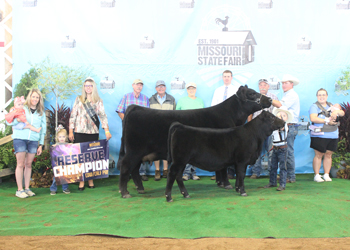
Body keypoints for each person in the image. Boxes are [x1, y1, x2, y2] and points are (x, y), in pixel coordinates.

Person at [69, 77, 112, 190]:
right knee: (81, 157)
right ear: (84, 87)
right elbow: (73, 115)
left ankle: (91, 180)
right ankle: (82, 181)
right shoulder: (79, 99)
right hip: (79, 131)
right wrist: (70, 130)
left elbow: (102, 116)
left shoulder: (98, 100)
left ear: (94, 87)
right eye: (86, 85)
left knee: (91, 157)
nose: (88, 87)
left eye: (90, 85)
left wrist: (106, 130)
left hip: (93, 132)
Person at [6, 89, 47, 198]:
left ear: (39, 100)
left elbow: (42, 129)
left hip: (33, 140)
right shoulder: (21, 108)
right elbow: (8, 120)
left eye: (37, 97)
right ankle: (19, 189)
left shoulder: (41, 112)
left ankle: (27, 188)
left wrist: (41, 144)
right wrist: (17, 121)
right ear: (30, 97)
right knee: (20, 164)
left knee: (28, 164)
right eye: (33, 97)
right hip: (20, 138)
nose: (35, 99)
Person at [116, 79, 150, 181]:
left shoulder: (145, 98)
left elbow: (147, 114)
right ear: (133, 86)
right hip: (129, 129)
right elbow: (120, 111)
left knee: (142, 149)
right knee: (128, 150)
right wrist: (127, 121)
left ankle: (142, 172)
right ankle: (128, 171)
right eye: (137, 85)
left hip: (141, 129)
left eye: (140, 85)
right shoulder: (126, 97)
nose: (139, 86)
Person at [247, 78, 281, 179]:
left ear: (268, 87)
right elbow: (250, 112)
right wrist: (249, 125)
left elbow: (278, 109)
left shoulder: (273, 97)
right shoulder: (253, 97)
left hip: (270, 128)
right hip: (256, 128)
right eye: (261, 85)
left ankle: (272, 172)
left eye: (265, 85)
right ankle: (255, 172)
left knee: (271, 151)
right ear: (258, 87)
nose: (262, 87)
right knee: (255, 150)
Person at [309, 88, 344, 182]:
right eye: (319, 95)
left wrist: (336, 112)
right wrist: (326, 120)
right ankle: (316, 175)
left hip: (332, 134)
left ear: (327, 96)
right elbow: (313, 118)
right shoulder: (314, 106)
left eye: (323, 95)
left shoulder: (332, 105)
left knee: (328, 155)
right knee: (318, 154)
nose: (321, 97)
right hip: (319, 134)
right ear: (317, 96)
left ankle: (326, 174)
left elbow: (342, 112)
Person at [211, 70, 241, 180]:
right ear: (222, 78)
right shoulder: (218, 91)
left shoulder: (236, 91)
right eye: (225, 76)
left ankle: (231, 172)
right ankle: (218, 172)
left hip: (232, 122)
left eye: (228, 76)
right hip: (219, 123)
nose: (226, 78)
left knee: (232, 147)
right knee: (218, 147)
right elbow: (213, 106)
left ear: (232, 77)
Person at [177, 82, 204, 181]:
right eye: (189, 88)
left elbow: (202, 116)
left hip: (197, 130)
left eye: (193, 88)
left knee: (196, 151)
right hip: (185, 131)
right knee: (186, 151)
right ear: (187, 90)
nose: (191, 90)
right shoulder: (181, 101)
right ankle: (186, 173)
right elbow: (177, 115)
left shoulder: (200, 101)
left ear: (196, 90)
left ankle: (193, 173)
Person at [149, 80, 176, 181]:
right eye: (158, 87)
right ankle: (157, 170)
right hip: (154, 128)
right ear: (156, 88)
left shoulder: (171, 99)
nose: (160, 88)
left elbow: (174, 114)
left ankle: (165, 170)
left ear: (165, 88)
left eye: (162, 86)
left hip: (168, 128)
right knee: (155, 149)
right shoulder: (150, 99)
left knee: (167, 149)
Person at [264, 106, 293, 191]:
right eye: (279, 115)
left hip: (282, 149)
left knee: (283, 167)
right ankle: (272, 182)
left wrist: (279, 120)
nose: (281, 117)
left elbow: (281, 127)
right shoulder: (273, 126)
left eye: (283, 116)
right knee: (273, 166)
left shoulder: (284, 125)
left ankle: (282, 184)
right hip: (275, 148)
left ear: (287, 118)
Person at [280, 74, 300, 183]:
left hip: (290, 126)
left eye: (286, 83)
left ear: (291, 84)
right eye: (283, 83)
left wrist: (269, 101)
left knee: (288, 152)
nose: (284, 85)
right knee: (286, 151)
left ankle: (291, 176)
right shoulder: (287, 94)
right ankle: (287, 175)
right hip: (287, 126)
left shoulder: (291, 95)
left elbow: (281, 107)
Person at [50, 125, 70, 195]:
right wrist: (54, 147)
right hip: (57, 164)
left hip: (65, 164)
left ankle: (65, 188)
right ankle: (53, 189)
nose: (62, 138)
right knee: (56, 177)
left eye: (63, 137)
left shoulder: (68, 145)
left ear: (66, 137)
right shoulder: (56, 145)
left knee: (65, 176)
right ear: (57, 137)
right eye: (60, 137)